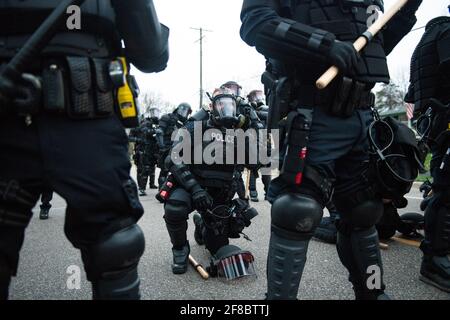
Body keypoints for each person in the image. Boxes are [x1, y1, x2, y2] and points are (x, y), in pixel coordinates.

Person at [240, 0, 422, 299]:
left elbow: (374, 47)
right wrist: (323, 45)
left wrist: (405, 13)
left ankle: (373, 292)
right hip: (313, 113)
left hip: (362, 114)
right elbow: (256, 23)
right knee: (297, 211)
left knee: (364, 213)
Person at [0, 0, 169, 300]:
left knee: (118, 246)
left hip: (83, 107)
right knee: (117, 247)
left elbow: (151, 54)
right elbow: (151, 53)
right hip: (83, 119)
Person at [160, 88, 261, 275]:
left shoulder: (240, 132)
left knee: (217, 247)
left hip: (221, 193)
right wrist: (195, 188)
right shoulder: (197, 126)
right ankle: (180, 249)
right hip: (193, 186)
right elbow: (173, 157)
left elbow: (258, 161)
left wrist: (255, 122)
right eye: (221, 102)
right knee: (175, 207)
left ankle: (202, 225)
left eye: (230, 103)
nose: (226, 107)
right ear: (212, 106)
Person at [406, 13, 450, 292]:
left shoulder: (427, 38)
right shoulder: (446, 33)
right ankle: (436, 259)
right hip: (444, 119)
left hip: (435, 121)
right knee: (447, 191)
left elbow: (412, 94)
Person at [156, 103, 192, 187]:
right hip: (167, 148)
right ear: (178, 109)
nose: (184, 113)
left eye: (186, 111)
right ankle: (162, 190)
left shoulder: (186, 122)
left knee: (180, 170)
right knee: (164, 170)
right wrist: (162, 147)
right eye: (182, 109)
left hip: (180, 148)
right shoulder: (167, 117)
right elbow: (159, 132)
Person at [129, 108, 160, 196]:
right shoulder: (138, 125)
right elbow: (130, 137)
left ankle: (151, 184)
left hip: (152, 150)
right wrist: (139, 140)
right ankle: (141, 188)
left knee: (152, 167)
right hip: (142, 150)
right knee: (142, 169)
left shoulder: (156, 124)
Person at [247, 89, 271, 201]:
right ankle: (256, 192)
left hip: (263, 143)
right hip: (256, 143)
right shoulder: (250, 111)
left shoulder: (261, 112)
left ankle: (262, 192)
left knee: (259, 169)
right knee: (255, 169)